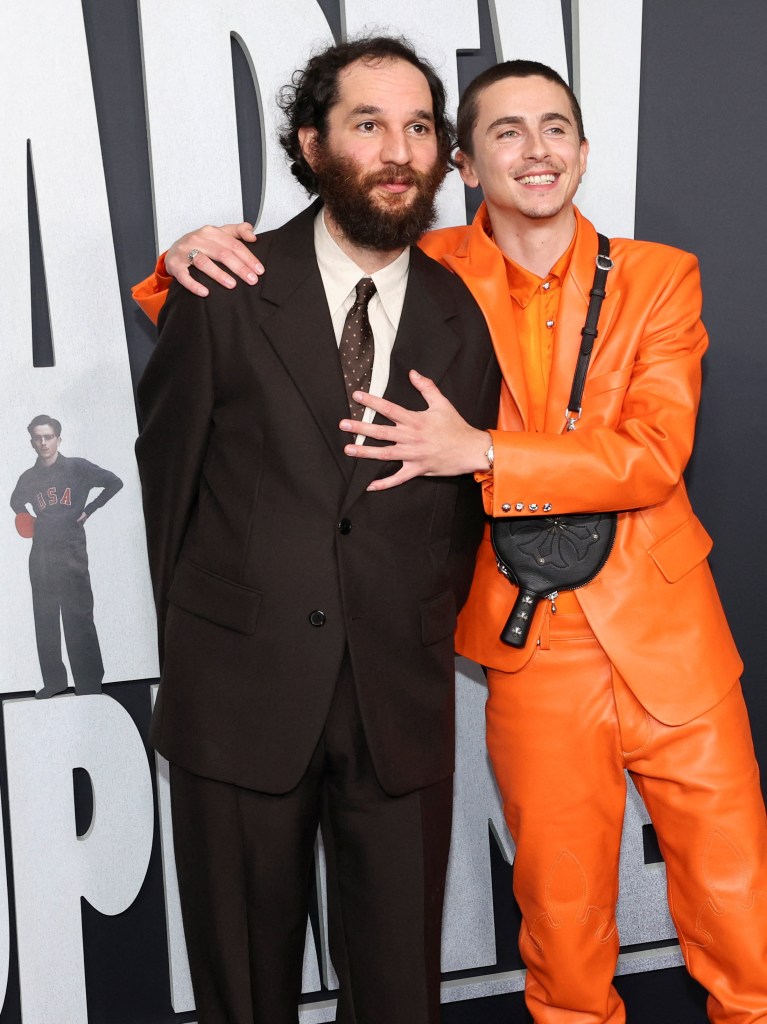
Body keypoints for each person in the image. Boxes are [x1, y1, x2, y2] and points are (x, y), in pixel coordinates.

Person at [138, 58, 767, 1024]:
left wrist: (479, 450)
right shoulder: (442, 272)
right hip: (524, 648)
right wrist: (175, 264)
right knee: (561, 936)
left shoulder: (653, 276)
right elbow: (279, 308)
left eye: (555, 127)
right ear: (465, 165)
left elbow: (650, 454)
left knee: (741, 922)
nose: (536, 150)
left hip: (664, 632)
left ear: (586, 150)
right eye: (504, 132)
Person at [134, 36, 499, 1024]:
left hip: (398, 703)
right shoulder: (222, 289)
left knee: (398, 997)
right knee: (243, 993)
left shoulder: (465, 319)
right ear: (309, 142)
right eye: (367, 123)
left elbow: (465, 512)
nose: (397, 149)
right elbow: (165, 487)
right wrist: (206, 644)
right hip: (240, 698)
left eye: (418, 126)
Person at [10, 415, 123, 698]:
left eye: (48, 437)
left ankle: (89, 684)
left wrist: (91, 509)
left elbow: (114, 482)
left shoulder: (77, 468)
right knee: (45, 617)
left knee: (79, 616)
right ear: (32, 442)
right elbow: (15, 501)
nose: (43, 442)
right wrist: (27, 520)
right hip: (42, 554)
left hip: (72, 550)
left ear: (58, 439)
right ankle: (55, 681)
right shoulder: (28, 477)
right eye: (38, 437)